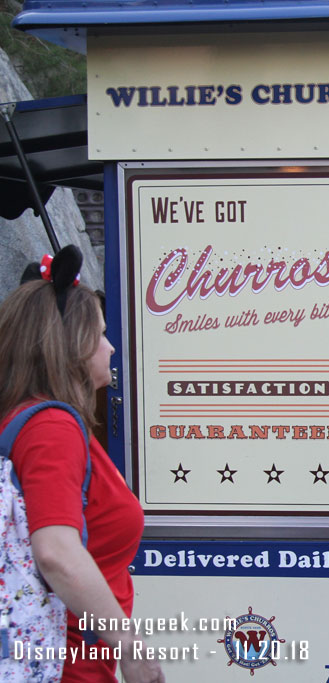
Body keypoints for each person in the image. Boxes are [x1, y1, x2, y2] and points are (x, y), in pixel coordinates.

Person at [0, 246, 164, 683]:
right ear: (72, 344)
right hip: (65, 664)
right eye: (102, 334)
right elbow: (56, 551)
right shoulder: (52, 428)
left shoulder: (27, 418)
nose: (111, 348)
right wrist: (131, 650)